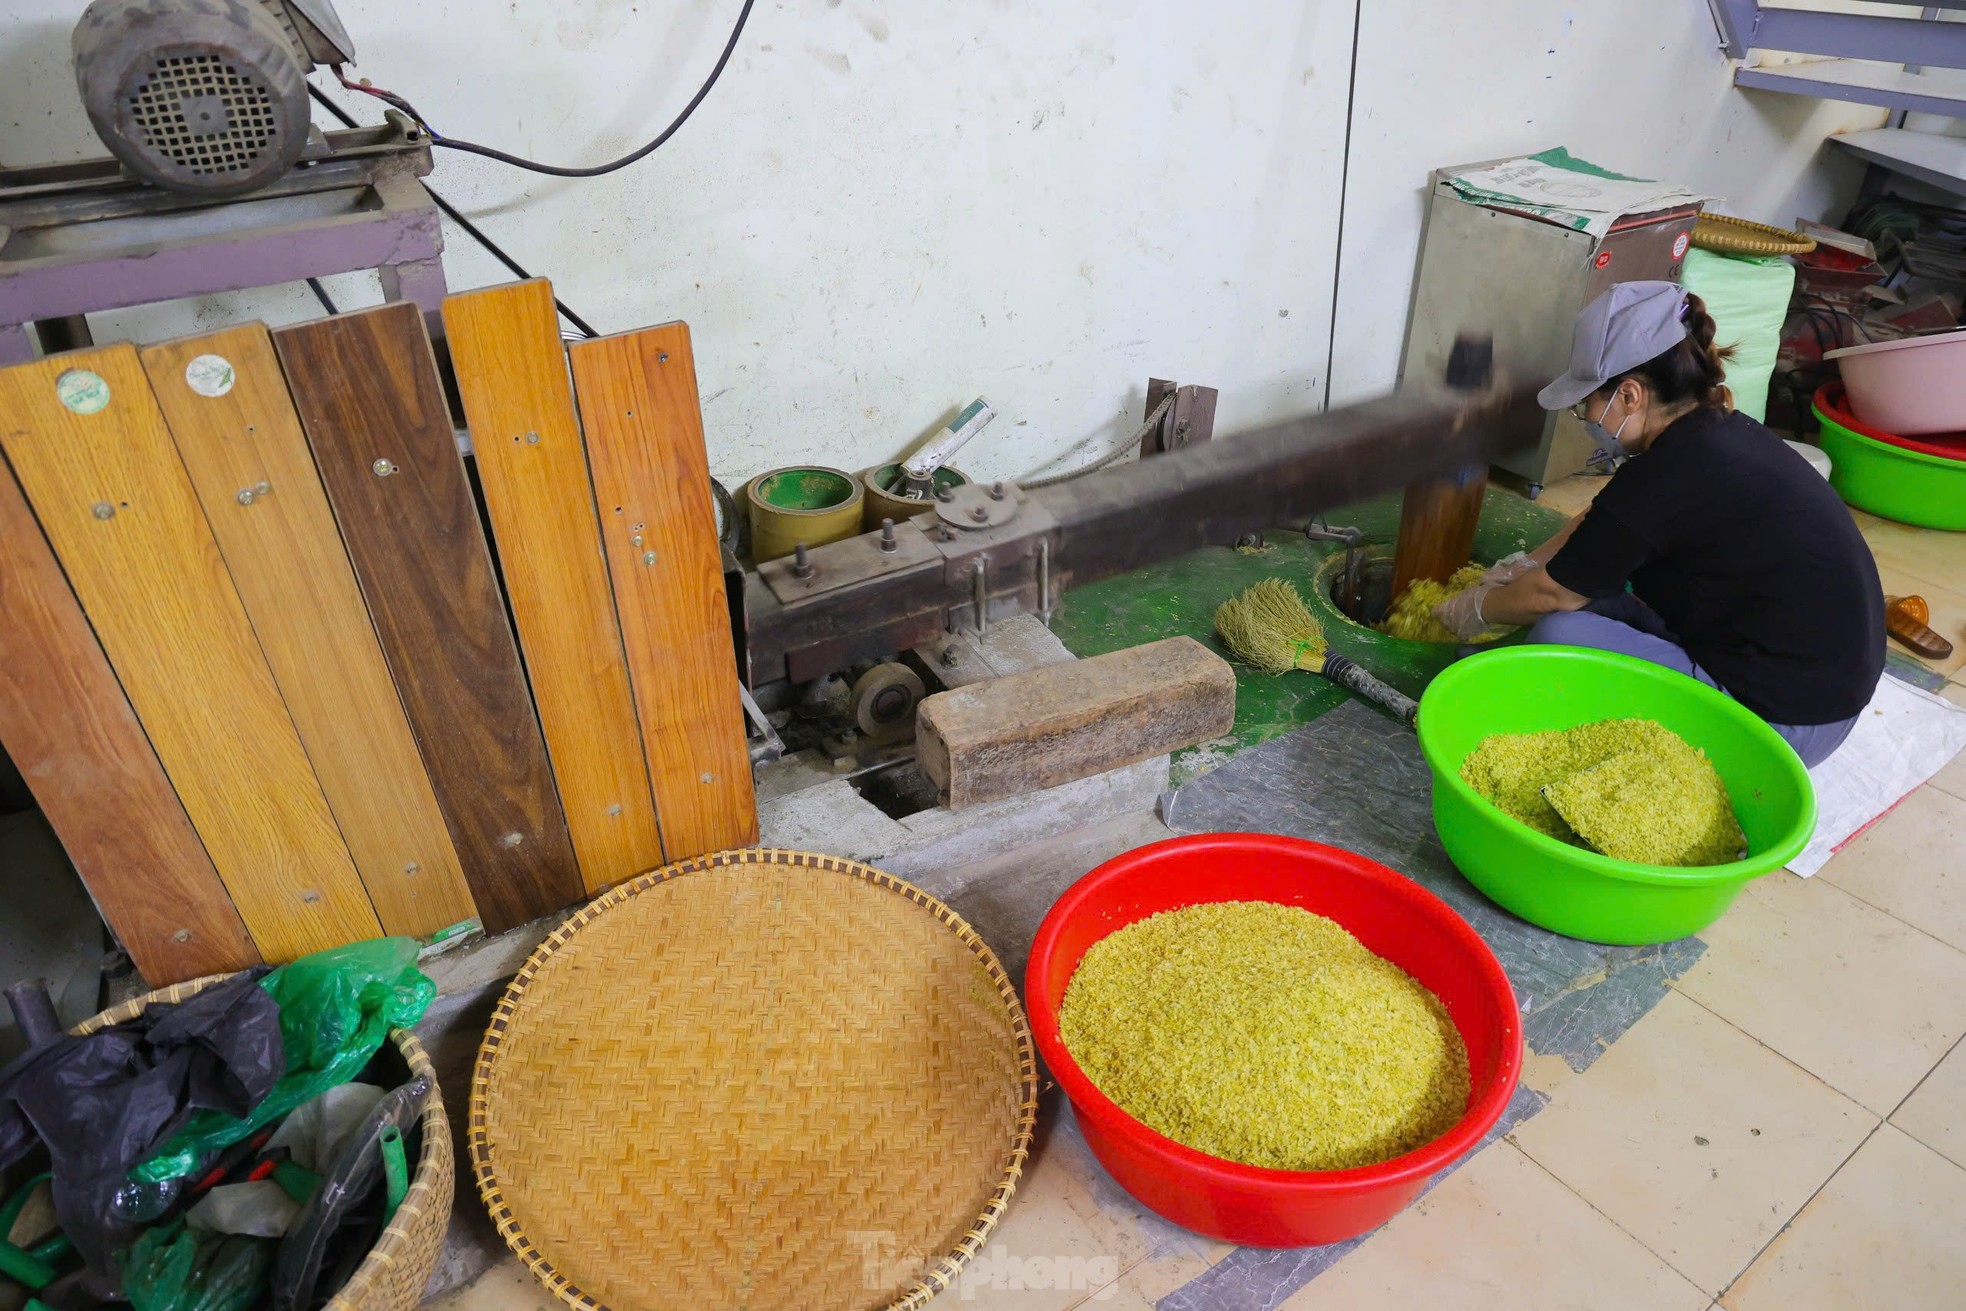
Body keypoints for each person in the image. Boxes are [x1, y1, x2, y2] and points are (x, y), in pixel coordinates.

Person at [1430, 280, 1884, 768]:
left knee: (1559, 632)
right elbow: (1605, 522)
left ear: (1629, 395)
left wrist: (1476, 606)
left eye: (1588, 402)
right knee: (1591, 593)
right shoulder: (1712, 432)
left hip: (1778, 721)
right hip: (1812, 678)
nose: (1586, 416)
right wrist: (1527, 563)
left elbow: (1554, 594)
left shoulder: (1667, 474)